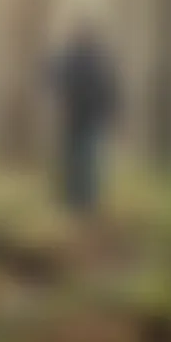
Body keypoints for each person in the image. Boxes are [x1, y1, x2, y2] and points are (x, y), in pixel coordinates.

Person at [50, 23, 119, 214]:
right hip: (76, 119)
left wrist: (110, 113)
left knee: (85, 161)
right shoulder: (71, 60)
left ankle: (84, 201)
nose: (84, 41)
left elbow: (110, 90)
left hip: (87, 119)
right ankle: (75, 200)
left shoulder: (95, 62)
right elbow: (53, 79)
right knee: (76, 160)